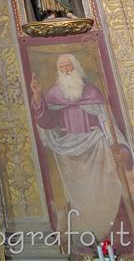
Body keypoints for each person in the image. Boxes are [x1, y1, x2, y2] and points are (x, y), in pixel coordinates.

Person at [31, 54, 133, 238]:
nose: (66, 70)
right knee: (77, 198)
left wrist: (120, 148)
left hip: (96, 146)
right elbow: (46, 122)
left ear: (76, 67)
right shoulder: (54, 94)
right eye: (61, 67)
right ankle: (84, 233)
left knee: (103, 193)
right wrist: (38, 98)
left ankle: (106, 232)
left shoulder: (92, 92)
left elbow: (106, 122)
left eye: (68, 66)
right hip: (68, 152)